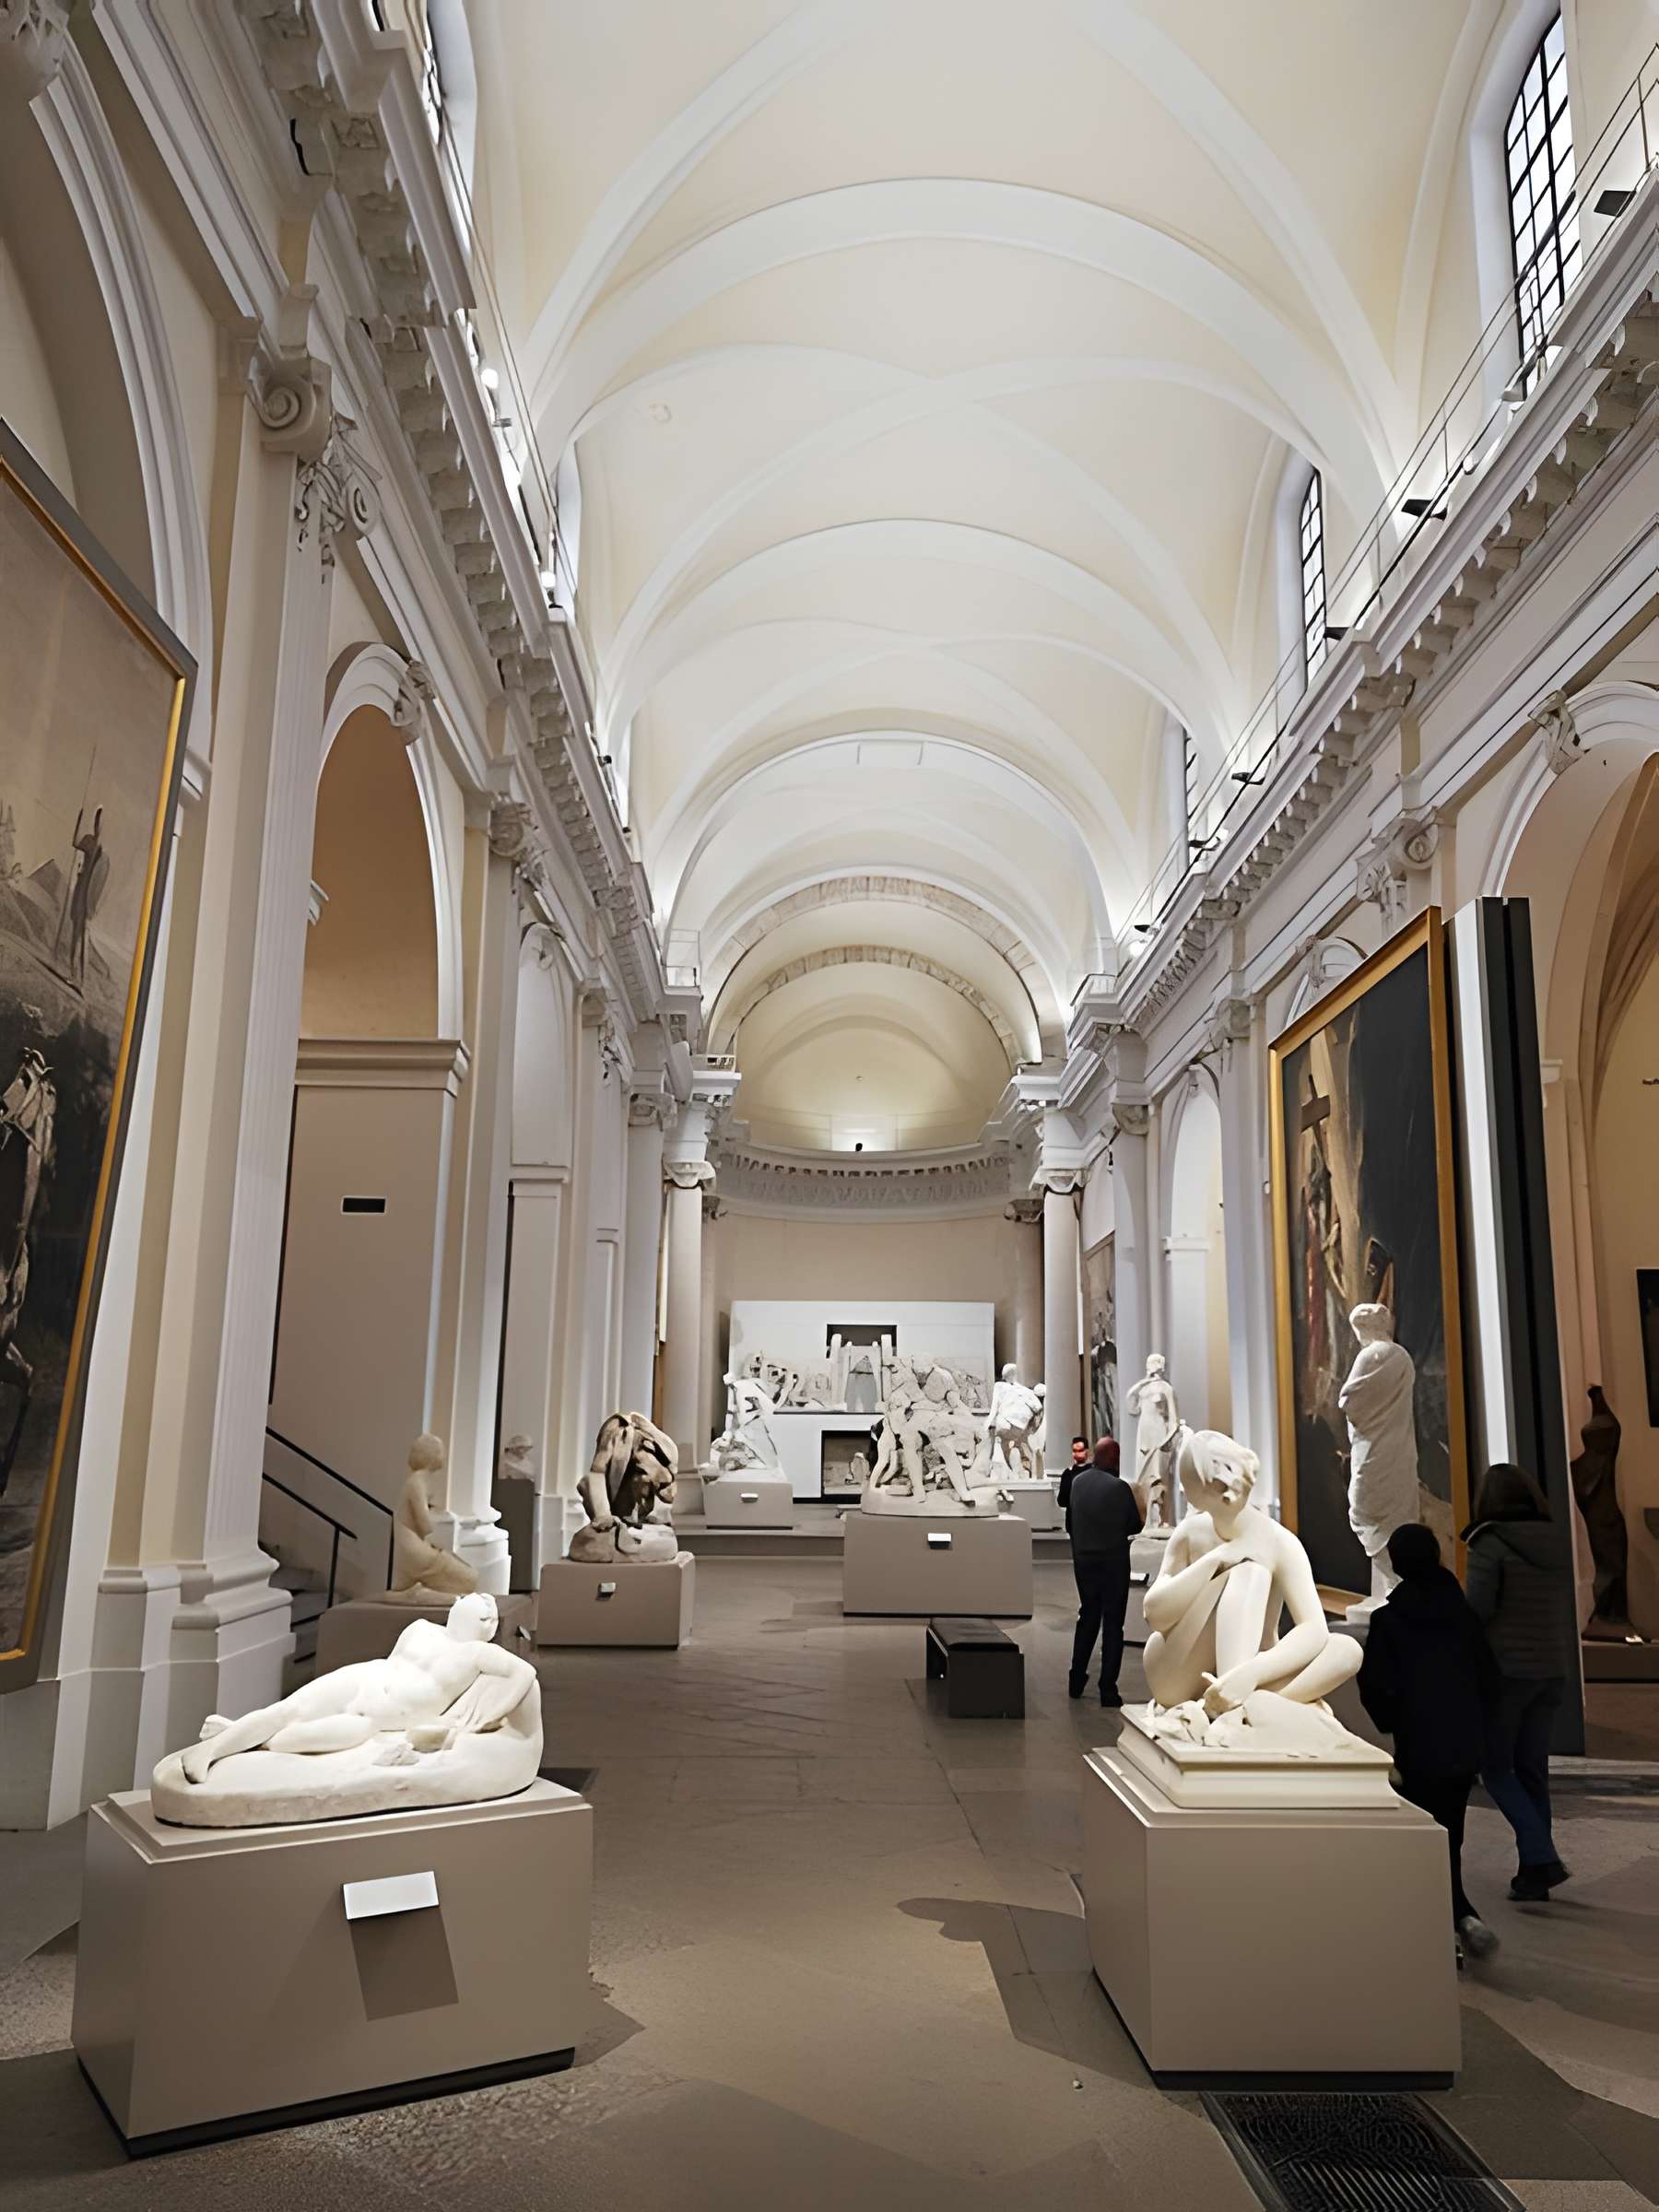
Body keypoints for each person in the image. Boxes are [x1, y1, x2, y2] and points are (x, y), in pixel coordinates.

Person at [1358, 1523, 1500, 1962]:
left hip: (1418, 1742)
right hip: (1460, 1742)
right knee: (1450, 1833)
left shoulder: (1391, 1620)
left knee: (1426, 1838)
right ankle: (1459, 1916)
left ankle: (1445, 1925)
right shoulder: (1463, 1616)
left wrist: (1393, 1721)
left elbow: (1377, 1685)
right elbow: (1488, 1678)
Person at [1465, 1462, 1571, 1902]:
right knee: (1532, 1770)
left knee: (1495, 1768)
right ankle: (1533, 1874)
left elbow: (1479, 1610)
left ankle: (1542, 1855)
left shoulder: (1490, 1542)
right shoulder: (1555, 1539)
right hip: (1552, 1667)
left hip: (1507, 1670)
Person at [1066, 1438, 1141, 1707]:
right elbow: (1134, 1525)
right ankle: (1107, 1689)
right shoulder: (1119, 1488)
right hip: (1113, 1563)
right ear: (1114, 1458)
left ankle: (1076, 1679)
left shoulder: (1078, 1483)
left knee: (1087, 1616)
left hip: (1084, 1560)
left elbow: (1071, 1522)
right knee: (1112, 1626)